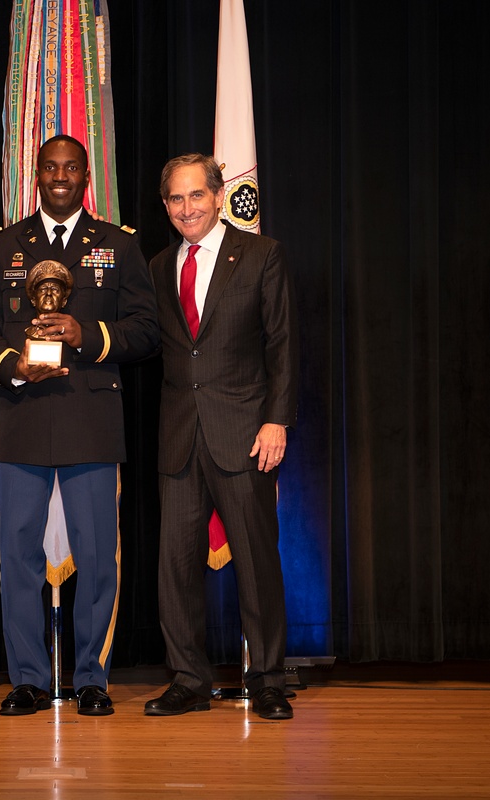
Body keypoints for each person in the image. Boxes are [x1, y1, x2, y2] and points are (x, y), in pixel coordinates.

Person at [0, 135, 159, 717]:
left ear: (85, 176)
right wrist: (11, 367)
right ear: (36, 173)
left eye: (70, 168)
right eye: (50, 167)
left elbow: (147, 331)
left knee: (99, 558)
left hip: (91, 421)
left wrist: (90, 337)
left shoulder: (119, 245)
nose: (60, 176)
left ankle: (92, 678)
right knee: (17, 556)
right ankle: (27, 677)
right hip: (23, 416)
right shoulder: (4, 247)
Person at [144, 153, 299, 720]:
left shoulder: (260, 254)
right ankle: (188, 680)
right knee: (175, 566)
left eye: (197, 196)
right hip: (180, 437)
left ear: (217, 196)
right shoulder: (160, 265)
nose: (188, 208)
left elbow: (282, 343)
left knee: (257, 563)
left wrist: (277, 420)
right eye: (176, 200)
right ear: (166, 207)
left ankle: (268, 680)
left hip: (245, 434)